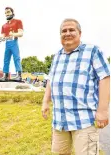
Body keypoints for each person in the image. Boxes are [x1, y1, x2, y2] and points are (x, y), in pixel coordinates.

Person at [41, 18, 110, 155]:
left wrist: (102, 111)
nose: (67, 33)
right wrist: (45, 102)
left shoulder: (92, 51)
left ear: (79, 33)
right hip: (60, 120)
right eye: (63, 31)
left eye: (71, 30)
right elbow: (50, 79)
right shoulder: (57, 56)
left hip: (84, 119)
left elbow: (105, 77)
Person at [0, 7, 23, 81]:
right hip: (7, 43)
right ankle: (5, 76)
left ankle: (19, 75)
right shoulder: (4, 25)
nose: (7, 14)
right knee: (6, 59)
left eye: (8, 12)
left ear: (12, 12)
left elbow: (21, 33)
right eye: (5, 13)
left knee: (16, 58)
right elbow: (3, 36)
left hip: (14, 42)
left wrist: (13, 34)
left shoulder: (18, 21)